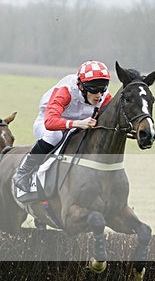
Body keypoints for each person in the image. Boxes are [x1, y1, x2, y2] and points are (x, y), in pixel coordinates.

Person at [13, 60, 113, 192]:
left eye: (102, 89)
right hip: (48, 123)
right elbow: (50, 122)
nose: (99, 95)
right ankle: (23, 172)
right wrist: (77, 123)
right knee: (55, 135)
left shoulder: (105, 97)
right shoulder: (66, 91)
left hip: (79, 126)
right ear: (81, 86)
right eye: (94, 89)